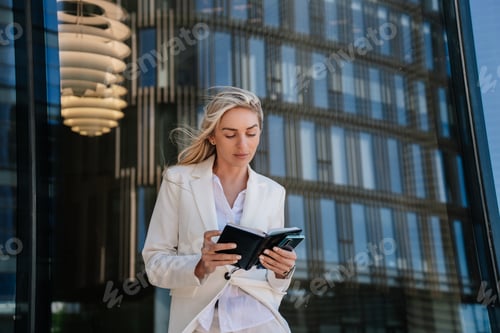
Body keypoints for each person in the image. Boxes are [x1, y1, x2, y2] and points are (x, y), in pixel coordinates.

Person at [142, 86, 297, 333]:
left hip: (260, 322)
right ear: (212, 136)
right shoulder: (178, 181)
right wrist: (200, 264)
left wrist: (283, 269)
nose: (243, 144)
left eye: (251, 133)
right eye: (230, 134)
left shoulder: (273, 192)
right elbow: (154, 265)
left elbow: (275, 284)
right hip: (200, 322)